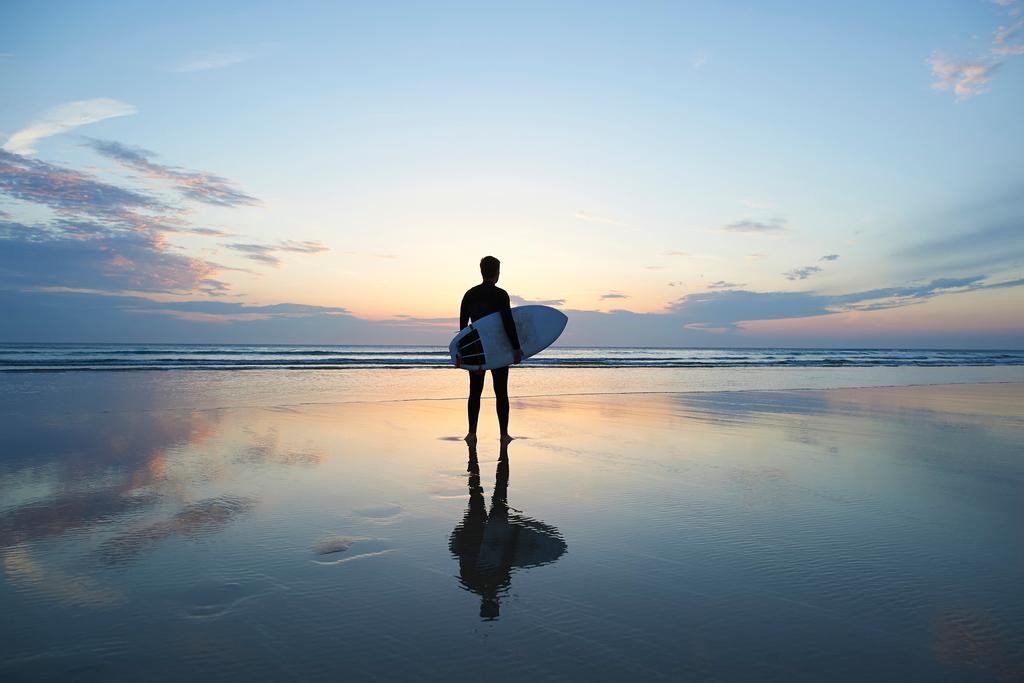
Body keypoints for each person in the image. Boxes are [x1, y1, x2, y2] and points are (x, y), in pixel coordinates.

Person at [459, 255, 522, 444]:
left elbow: (463, 328)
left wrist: (464, 353)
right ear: (497, 273)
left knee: (474, 392)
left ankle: (472, 434)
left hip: (477, 350)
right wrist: (516, 348)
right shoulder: (501, 295)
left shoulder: (469, 294)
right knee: (501, 391)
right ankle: (504, 434)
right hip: (498, 349)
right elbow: (507, 323)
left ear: (481, 271)